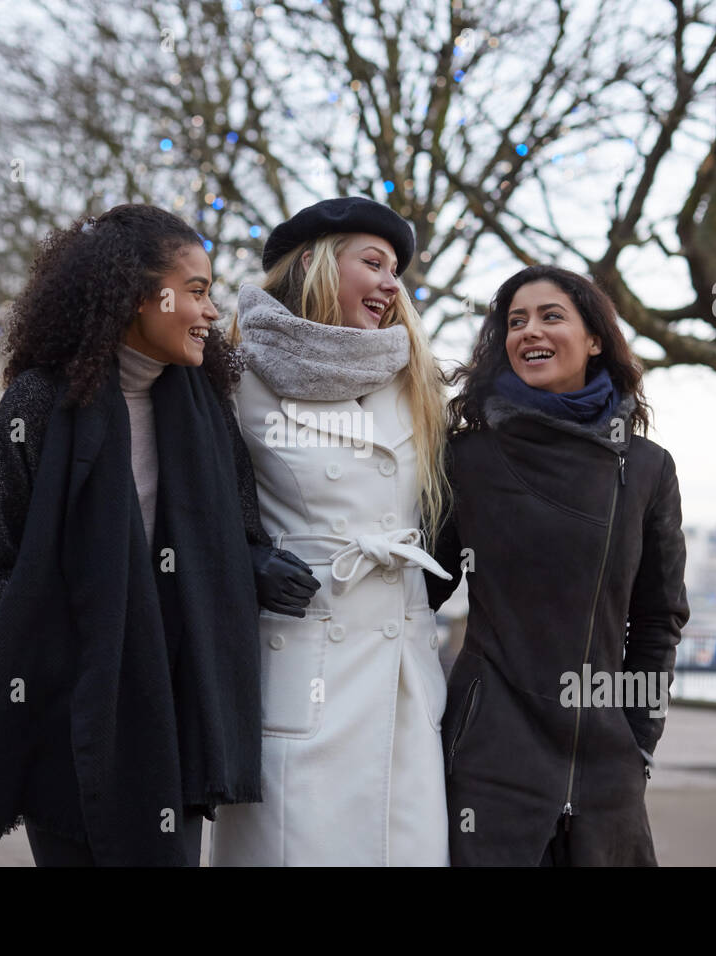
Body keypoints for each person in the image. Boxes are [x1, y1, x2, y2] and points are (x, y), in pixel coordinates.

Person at [0, 204, 316, 867]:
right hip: (72, 715)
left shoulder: (208, 413)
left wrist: (260, 568)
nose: (212, 311)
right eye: (196, 290)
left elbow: (238, 537)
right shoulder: (38, 404)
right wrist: (72, 662)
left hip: (178, 710)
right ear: (138, 296)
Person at [210, 197, 452, 866]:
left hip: (399, 676)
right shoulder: (232, 373)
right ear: (318, 264)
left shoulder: (417, 382)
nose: (390, 283)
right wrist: (250, 563)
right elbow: (200, 511)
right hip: (299, 659)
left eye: (396, 269)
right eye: (372, 262)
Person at [426, 264, 690, 866]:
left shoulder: (647, 468)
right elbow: (417, 589)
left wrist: (639, 741)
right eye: (515, 321)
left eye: (550, 316)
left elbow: (657, 620)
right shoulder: (467, 457)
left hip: (606, 769)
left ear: (594, 338)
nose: (528, 331)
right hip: (489, 758)